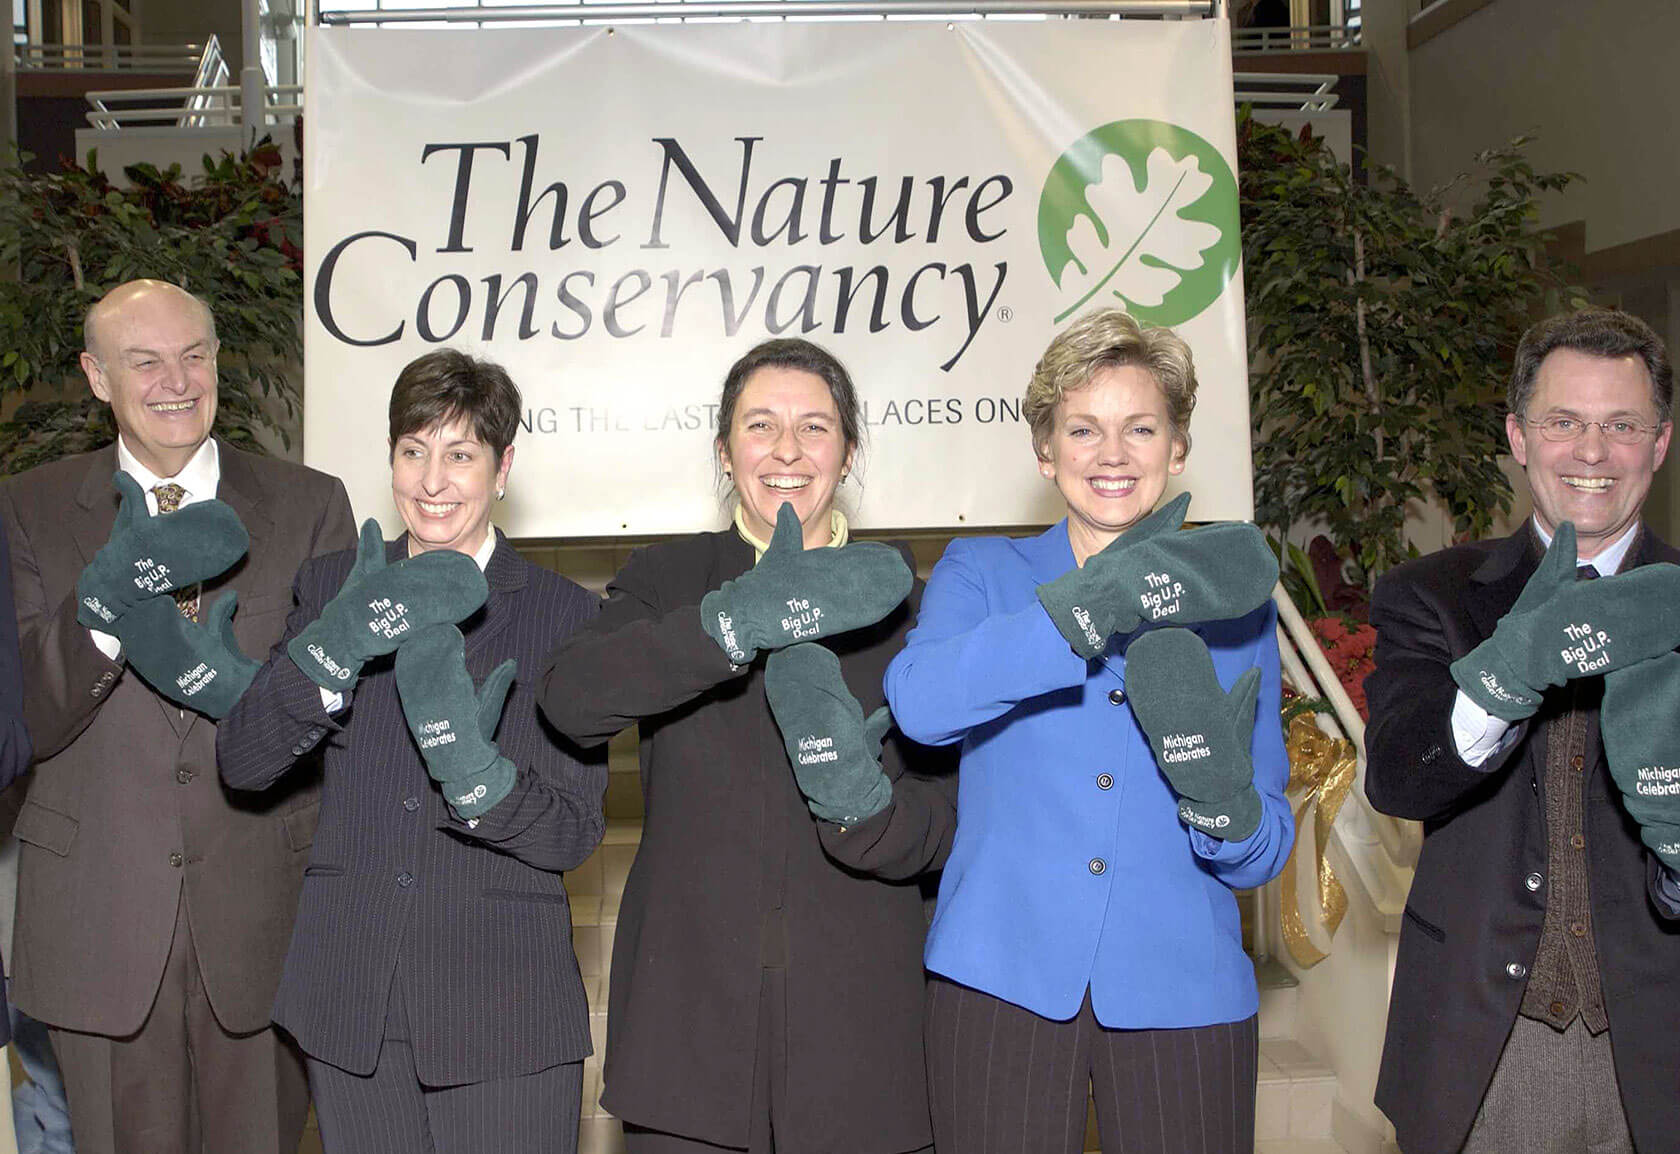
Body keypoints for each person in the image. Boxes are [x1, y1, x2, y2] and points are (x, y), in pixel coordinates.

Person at [884, 307, 1291, 1154]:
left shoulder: (1234, 599)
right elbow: (920, 705)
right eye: (1083, 429)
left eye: (1141, 428)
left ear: (1178, 448)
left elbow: (1263, 841)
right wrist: (1087, 609)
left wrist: (1232, 818)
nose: (1113, 454)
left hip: (1187, 990)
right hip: (1001, 980)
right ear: (1046, 451)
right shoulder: (983, 571)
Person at [539, 337, 955, 1154]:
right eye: (760, 425)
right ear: (725, 451)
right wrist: (730, 625)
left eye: (815, 426)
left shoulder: (908, 603)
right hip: (689, 1018)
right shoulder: (668, 578)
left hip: (864, 1023)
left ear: (851, 448)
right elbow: (573, 701)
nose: (788, 450)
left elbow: (953, 810)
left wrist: (876, 822)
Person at [216, 349, 606, 1153]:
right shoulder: (331, 587)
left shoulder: (566, 616)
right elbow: (246, 760)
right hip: (350, 995)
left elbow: (573, 831)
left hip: (503, 1007)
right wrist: (334, 654)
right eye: (412, 451)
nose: (433, 481)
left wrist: (480, 779)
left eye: (460, 454)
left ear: (502, 471)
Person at [0, 279, 356, 1153]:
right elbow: (23, 722)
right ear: (94, 376)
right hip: (99, 923)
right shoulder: (28, 508)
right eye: (144, 360)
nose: (176, 380)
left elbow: (335, 720)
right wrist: (105, 613)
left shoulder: (310, 504)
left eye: (194, 356)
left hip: (266, 921)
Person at [1364, 306, 1680, 1154]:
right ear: (1518, 435)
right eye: (1564, 422)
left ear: (1659, 444)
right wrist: (1504, 676)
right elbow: (1396, 776)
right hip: (1482, 1045)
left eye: (1622, 426)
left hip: (1662, 1045)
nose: (1591, 451)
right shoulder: (1431, 594)